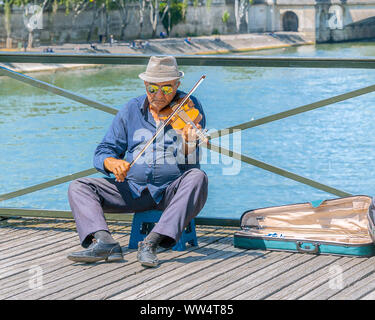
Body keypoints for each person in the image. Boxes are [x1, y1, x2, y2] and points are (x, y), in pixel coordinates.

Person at [67, 56, 208, 267]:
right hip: (132, 190)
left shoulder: (190, 107)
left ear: (177, 85)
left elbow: (190, 160)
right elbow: (104, 150)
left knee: (198, 178)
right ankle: (105, 243)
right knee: (79, 187)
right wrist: (112, 163)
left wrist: (189, 143)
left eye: (167, 89)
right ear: (145, 84)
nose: (159, 95)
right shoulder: (130, 110)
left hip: (171, 193)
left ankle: (151, 242)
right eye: (153, 89)